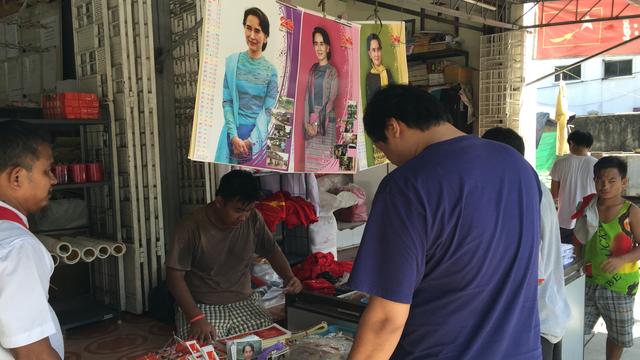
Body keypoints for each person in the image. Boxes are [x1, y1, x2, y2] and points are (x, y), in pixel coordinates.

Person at [347, 85, 542, 359]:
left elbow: (387, 319)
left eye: (383, 149)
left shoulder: (407, 185)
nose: (391, 160)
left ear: (393, 128)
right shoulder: (519, 167)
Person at [166, 170, 302, 342]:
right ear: (220, 202)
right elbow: (174, 277)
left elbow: (272, 250)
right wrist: (196, 318)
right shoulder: (190, 226)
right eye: (238, 210)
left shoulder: (253, 218)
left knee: (269, 346)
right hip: (203, 306)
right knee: (204, 350)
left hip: (245, 302)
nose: (243, 217)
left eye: (249, 210)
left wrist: (289, 277)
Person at [482, 127, 571, 360]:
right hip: (546, 316)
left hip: (530, 325)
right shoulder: (530, 184)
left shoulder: (517, 191)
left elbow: (531, 272)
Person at [0, 120, 63, 359]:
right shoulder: (18, 248)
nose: (54, 180)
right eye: (47, 171)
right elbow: (33, 353)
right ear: (17, 178)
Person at [573, 156, 640, 360]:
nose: (605, 185)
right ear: (594, 181)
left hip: (620, 286)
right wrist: (578, 260)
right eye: (600, 180)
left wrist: (622, 260)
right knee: (575, 329)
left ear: (624, 182)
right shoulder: (587, 206)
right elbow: (579, 238)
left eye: (612, 180)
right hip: (589, 281)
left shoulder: (631, 211)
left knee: (617, 335)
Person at [215, 7, 279, 164]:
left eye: (257, 31)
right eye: (248, 28)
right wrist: (234, 136)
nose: (252, 35)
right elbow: (227, 101)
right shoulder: (232, 63)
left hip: (259, 140)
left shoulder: (271, 71)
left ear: (266, 37)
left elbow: (268, 110)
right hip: (231, 138)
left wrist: (251, 141)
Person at [550, 130, 598, 244]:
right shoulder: (597, 164)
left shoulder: (560, 163)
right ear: (589, 145)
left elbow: (554, 194)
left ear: (571, 143)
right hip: (589, 219)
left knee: (565, 255)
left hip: (564, 220)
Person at [303, 26, 339, 171]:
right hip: (311, 120)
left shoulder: (332, 72)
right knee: (310, 166)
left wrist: (316, 124)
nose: (319, 48)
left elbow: (331, 100)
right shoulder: (312, 70)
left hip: (326, 121)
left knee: (325, 165)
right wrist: (306, 124)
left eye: (322, 44)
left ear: (328, 47)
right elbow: (306, 97)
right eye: (316, 44)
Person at [365, 33, 394, 104]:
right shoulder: (369, 77)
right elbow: (370, 103)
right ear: (369, 54)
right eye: (373, 50)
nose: (377, 54)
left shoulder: (388, 72)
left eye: (378, 49)